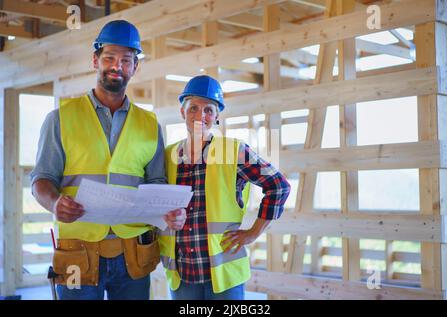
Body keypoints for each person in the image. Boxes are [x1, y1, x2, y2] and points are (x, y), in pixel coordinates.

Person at [30, 20, 186, 300]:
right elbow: (41, 178)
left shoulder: (150, 124)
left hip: (133, 253)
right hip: (78, 250)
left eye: (126, 60)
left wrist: (169, 211)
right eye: (110, 58)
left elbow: (157, 182)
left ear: (135, 67)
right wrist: (54, 203)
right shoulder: (60, 118)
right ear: (95, 60)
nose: (117, 66)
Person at [159, 75, 291, 300]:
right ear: (182, 112)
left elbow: (278, 186)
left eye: (208, 110)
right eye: (194, 108)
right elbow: (155, 204)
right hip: (182, 274)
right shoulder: (167, 157)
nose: (201, 116)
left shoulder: (234, 151)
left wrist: (253, 232)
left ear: (217, 115)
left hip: (224, 274)